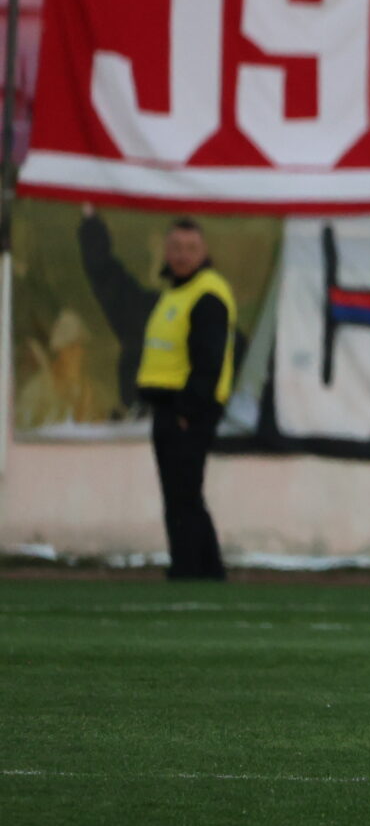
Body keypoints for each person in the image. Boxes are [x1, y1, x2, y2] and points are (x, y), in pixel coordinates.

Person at [85, 215, 237, 581]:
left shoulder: (207, 294)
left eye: (190, 249)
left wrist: (187, 409)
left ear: (205, 252)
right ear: (166, 252)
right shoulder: (178, 291)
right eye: (176, 248)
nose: (182, 256)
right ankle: (206, 571)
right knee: (182, 494)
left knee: (183, 494)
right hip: (170, 407)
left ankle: (189, 570)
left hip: (188, 410)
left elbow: (209, 359)